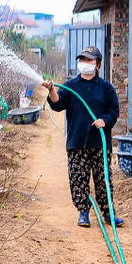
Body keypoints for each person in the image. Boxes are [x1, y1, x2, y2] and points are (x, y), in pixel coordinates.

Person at [41, 46, 122, 228]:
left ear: (97, 64)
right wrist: (52, 90)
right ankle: (83, 212)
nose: (85, 63)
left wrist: (104, 120)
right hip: (77, 142)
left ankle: (109, 214)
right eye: (83, 60)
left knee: (103, 180)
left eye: (89, 60)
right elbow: (58, 104)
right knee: (79, 178)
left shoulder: (106, 88)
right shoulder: (71, 86)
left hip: (99, 142)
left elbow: (114, 110)